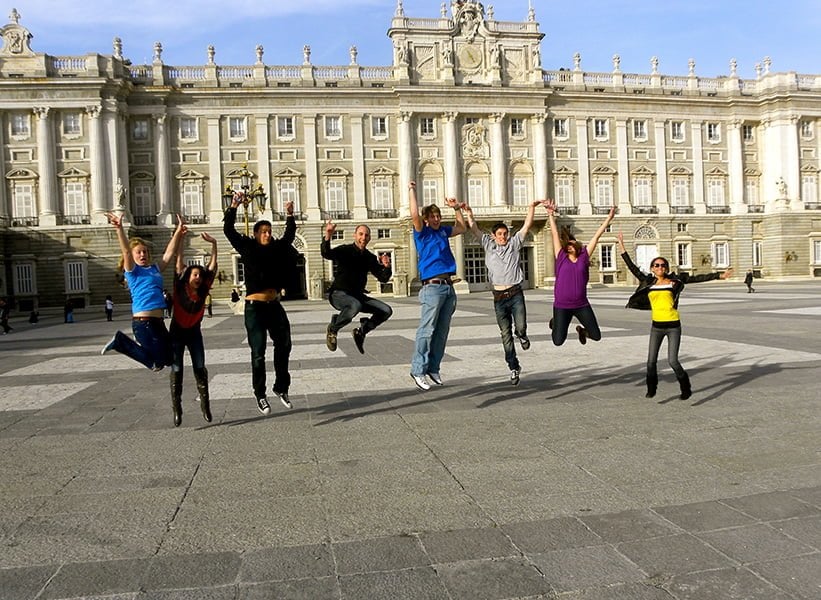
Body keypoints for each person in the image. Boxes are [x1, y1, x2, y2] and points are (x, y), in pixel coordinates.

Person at [617, 232, 733, 399]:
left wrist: (719, 275)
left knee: (673, 361)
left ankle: (685, 388)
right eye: (656, 265)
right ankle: (651, 388)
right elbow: (631, 266)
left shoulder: (674, 282)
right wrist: (621, 244)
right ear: (652, 268)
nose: (660, 268)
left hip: (673, 326)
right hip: (656, 326)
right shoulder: (648, 281)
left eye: (663, 265)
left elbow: (696, 278)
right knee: (651, 361)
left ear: (667, 268)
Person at [224, 196, 298, 415]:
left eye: (269, 231)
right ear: (256, 234)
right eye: (263, 231)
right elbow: (229, 231)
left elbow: (289, 236)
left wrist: (290, 214)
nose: (267, 234)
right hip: (254, 307)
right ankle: (260, 394)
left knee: (284, 344)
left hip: (274, 305)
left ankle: (281, 388)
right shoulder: (246, 246)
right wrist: (234, 207)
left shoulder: (277, 247)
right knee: (258, 352)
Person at [464, 200, 544, 385]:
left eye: (505, 234)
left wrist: (531, 207)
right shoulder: (488, 245)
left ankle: (522, 335)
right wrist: (469, 212)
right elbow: (474, 228)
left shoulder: (514, 244)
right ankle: (514, 367)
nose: (503, 237)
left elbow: (526, 225)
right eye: (499, 234)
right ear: (493, 236)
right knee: (505, 334)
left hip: (515, 293)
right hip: (498, 297)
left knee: (521, 326)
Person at [101, 212, 186, 371]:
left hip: (158, 322)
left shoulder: (154, 269)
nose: (142, 255)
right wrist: (119, 228)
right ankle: (121, 342)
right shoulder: (133, 272)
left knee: (169, 358)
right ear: (132, 257)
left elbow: (168, 254)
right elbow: (126, 251)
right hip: (144, 323)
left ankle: (126, 343)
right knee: (157, 364)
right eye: (138, 252)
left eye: (145, 252)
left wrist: (178, 231)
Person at [408, 180, 467, 390]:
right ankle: (418, 370)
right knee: (427, 329)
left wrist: (456, 208)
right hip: (432, 288)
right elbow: (414, 215)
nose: (436, 219)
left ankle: (433, 367)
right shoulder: (422, 233)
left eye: (438, 216)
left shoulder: (442, 231)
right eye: (432, 216)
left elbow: (462, 227)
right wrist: (412, 190)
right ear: (426, 219)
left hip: (448, 287)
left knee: (442, 331)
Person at [546, 200, 615, 346]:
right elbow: (553, 233)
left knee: (596, 336)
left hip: (581, 304)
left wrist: (608, 218)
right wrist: (551, 215)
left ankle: (582, 331)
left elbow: (596, 237)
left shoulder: (584, 256)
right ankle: (555, 323)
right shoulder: (561, 257)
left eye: (572, 244)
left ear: (576, 245)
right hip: (562, 305)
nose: (569, 247)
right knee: (557, 341)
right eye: (567, 245)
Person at [168, 231, 218, 427]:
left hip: (194, 332)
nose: (197, 277)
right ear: (188, 276)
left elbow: (212, 266)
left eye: (199, 274)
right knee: (177, 369)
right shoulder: (179, 285)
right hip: (177, 332)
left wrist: (214, 244)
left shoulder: (204, 287)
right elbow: (179, 260)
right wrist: (180, 236)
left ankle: (205, 404)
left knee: (200, 367)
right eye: (194, 274)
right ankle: (177, 408)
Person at [322, 220, 393, 354]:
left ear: (369, 238)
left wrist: (387, 266)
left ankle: (361, 331)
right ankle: (333, 328)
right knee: (355, 305)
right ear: (355, 235)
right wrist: (328, 235)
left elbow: (383, 278)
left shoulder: (369, 258)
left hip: (357, 296)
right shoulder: (345, 250)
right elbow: (326, 253)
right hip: (339, 294)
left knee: (386, 310)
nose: (363, 238)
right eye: (360, 234)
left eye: (366, 235)